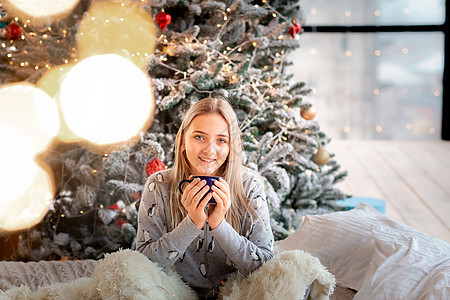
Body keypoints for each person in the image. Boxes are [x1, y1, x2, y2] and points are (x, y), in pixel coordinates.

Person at [136, 97, 274, 299]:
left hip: (237, 293)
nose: (210, 150)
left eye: (221, 140)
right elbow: (142, 265)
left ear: (230, 147)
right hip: (174, 293)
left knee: (295, 272)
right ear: (183, 141)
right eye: (199, 137)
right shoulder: (158, 185)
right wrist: (192, 223)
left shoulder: (249, 185)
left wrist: (219, 225)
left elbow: (265, 267)